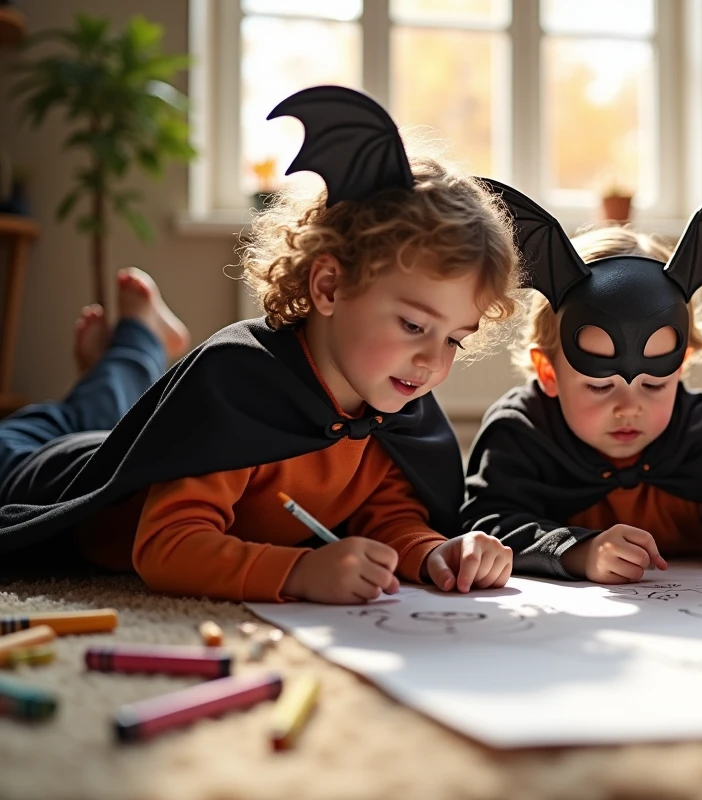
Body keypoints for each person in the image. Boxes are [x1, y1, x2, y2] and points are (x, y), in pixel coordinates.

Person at [0, 86, 518, 603]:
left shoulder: (392, 410)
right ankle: (135, 345)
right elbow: (167, 544)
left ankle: (131, 354)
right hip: (38, 468)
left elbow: (390, 517)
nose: (432, 361)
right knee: (55, 428)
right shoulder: (239, 386)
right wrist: (298, 572)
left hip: (116, 438)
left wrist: (433, 552)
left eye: (454, 340)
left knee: (102, 413)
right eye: (412, 325)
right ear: (329, 287)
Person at [462, 179, 702, 588]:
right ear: (549, 373)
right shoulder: (522, 430)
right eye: (600, 386)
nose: (629, 407)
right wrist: (579, 550)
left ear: (681, 367)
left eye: (654, 385)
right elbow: (484, 520)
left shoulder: (701, 430)